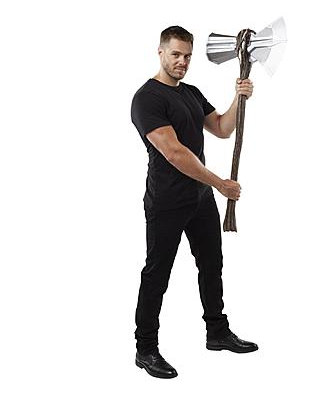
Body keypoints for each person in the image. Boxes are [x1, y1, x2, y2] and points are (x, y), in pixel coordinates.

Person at [131, 25, 258, 379]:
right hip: (167, 202)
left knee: (212, 265)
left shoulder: (190, 93)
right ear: (160, 52)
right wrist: (220, 184)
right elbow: (174, 153)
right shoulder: (146, 99)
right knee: (157, 274)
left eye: (187, 56)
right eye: (176, 54)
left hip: (199, 199)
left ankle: (217, 332)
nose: (182, 62)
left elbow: (221, 128)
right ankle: (145, 348)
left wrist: (239, 98)